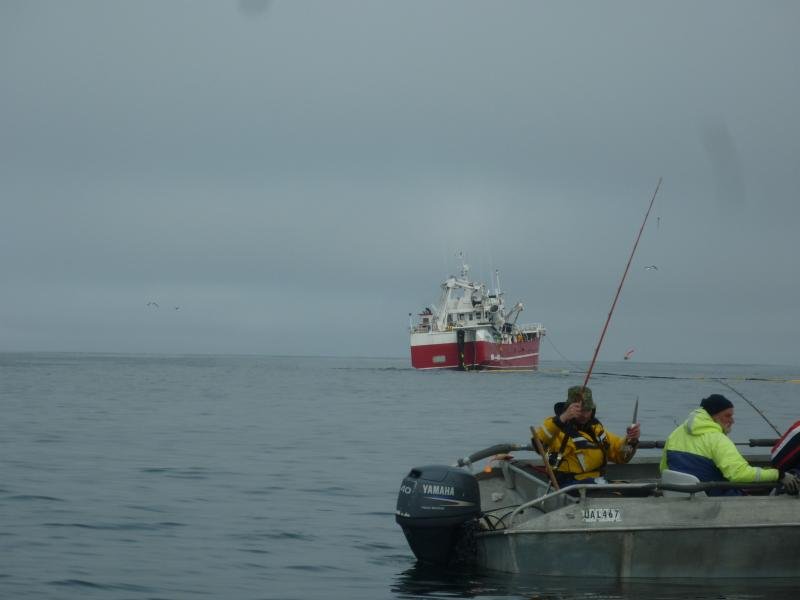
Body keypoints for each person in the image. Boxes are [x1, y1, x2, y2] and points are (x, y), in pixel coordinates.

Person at [660, 394, 800, 496]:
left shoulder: (675, 433)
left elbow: (664, 468)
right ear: (713, 416)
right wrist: (779, 475)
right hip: (715, 499)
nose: (732, 421)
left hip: (679, 495)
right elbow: (739, 474)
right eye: (727, 416)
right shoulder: (718, 439)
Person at [532, 386, 641, 487]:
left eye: (588, 410)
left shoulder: (597, 429)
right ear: (569, 408)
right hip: (569, 484)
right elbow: (538, 444)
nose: (585, 415)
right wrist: (562, 419)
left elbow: (621, 456)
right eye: (580, 410)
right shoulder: (555, 427)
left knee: (637, 490)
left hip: (597, 483)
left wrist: (631, 440)